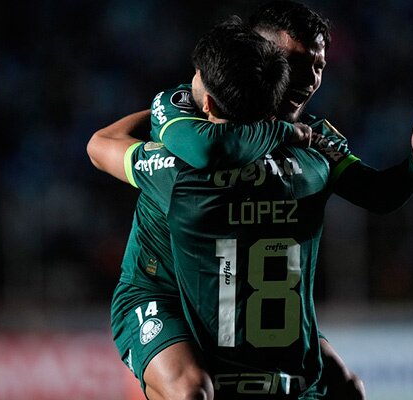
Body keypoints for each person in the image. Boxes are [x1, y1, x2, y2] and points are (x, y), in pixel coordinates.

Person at [89, 18, 310, 400]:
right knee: (192, 390)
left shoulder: (180, 165)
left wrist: (164, 113)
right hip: (160, 296)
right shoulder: (301, 163)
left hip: (229, 300)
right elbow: (381, 194)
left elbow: (100, 144)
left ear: (207, 102)